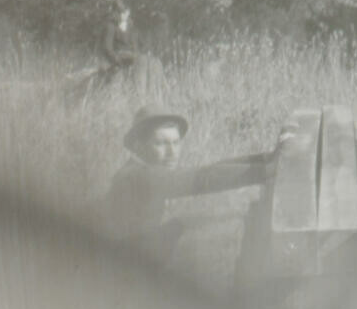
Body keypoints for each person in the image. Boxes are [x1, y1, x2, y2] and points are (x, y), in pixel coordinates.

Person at [106, 107, 270, 259]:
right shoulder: (138, 176)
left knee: (196, 222)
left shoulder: (142, 169)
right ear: (139, 146)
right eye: (161, 143)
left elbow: (210, 169)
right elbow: (203, 177)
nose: (172, 152)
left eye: (176, 142)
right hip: (125, 264)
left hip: (135, 251)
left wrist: (265, 158)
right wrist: (265, 171)